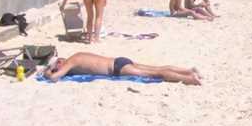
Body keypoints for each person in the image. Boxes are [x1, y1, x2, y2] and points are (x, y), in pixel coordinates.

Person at [44, 52, 201, 85]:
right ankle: (188, 70)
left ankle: (189, 79)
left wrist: (47, 71)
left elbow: (53, 78)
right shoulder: (77, 55)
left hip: (117, 68)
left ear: (60, 63)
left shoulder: (70, 62)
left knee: (156, 73)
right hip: (119, 60)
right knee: (157, 68)